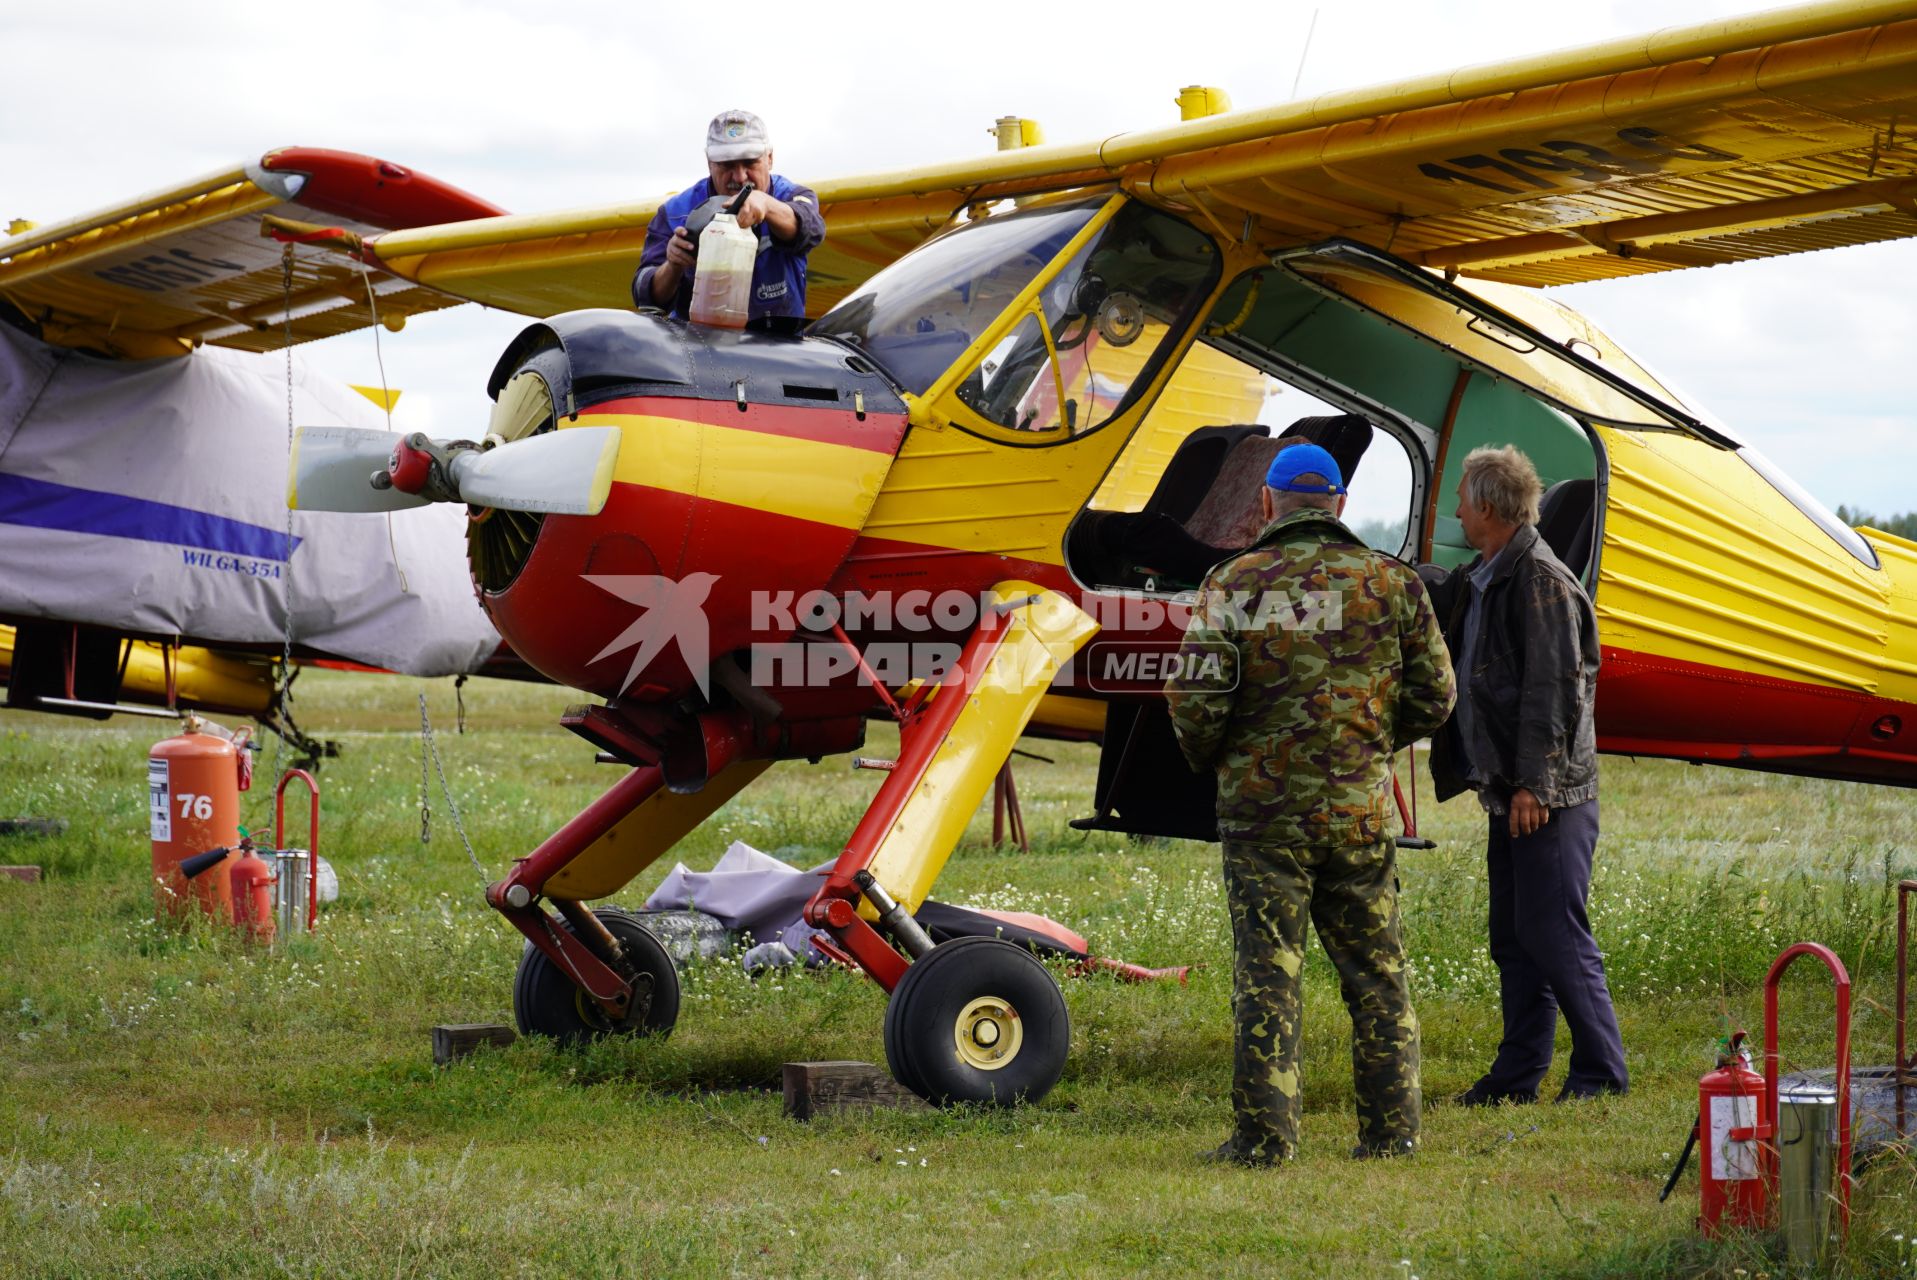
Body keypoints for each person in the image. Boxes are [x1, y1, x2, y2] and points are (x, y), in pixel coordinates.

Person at [1166, 443, 1456, 1166]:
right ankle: (1392, 1136)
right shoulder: (1392, 584)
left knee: (1267, 979)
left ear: (1266, 504)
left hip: (1262, 820)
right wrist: (1368, 749)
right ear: (1339, 508)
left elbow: (1195, 702)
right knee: (1378, 978)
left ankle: (1264, 1143)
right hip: (1357, 816)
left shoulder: (1231, 583)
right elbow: (1438, 697)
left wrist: (1224, 764)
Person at [1421, 445, 1628, 1105]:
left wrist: (1535, 786)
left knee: (1553, 934)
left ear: (1486, 507)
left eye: (1460, 497)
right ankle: (1515, 1078)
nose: (1454, 508)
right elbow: (1441, 590)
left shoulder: (1541, 582)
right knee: (1514, 939)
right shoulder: (1489, 573)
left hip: (1544, 798)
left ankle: (1600, 1074)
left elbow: (1554, 692)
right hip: (1508, 793)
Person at [631, 110, 825, 323]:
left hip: (778, 347)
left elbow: (811, 229)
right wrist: (673, 266)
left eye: (750, 163)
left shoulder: (792, 197)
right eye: (727, 165)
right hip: (701, 346)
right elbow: (645, 296)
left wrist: (767, 205)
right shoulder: (675, 213)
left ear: (769, 158)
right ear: (709, 163)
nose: (740, 177)